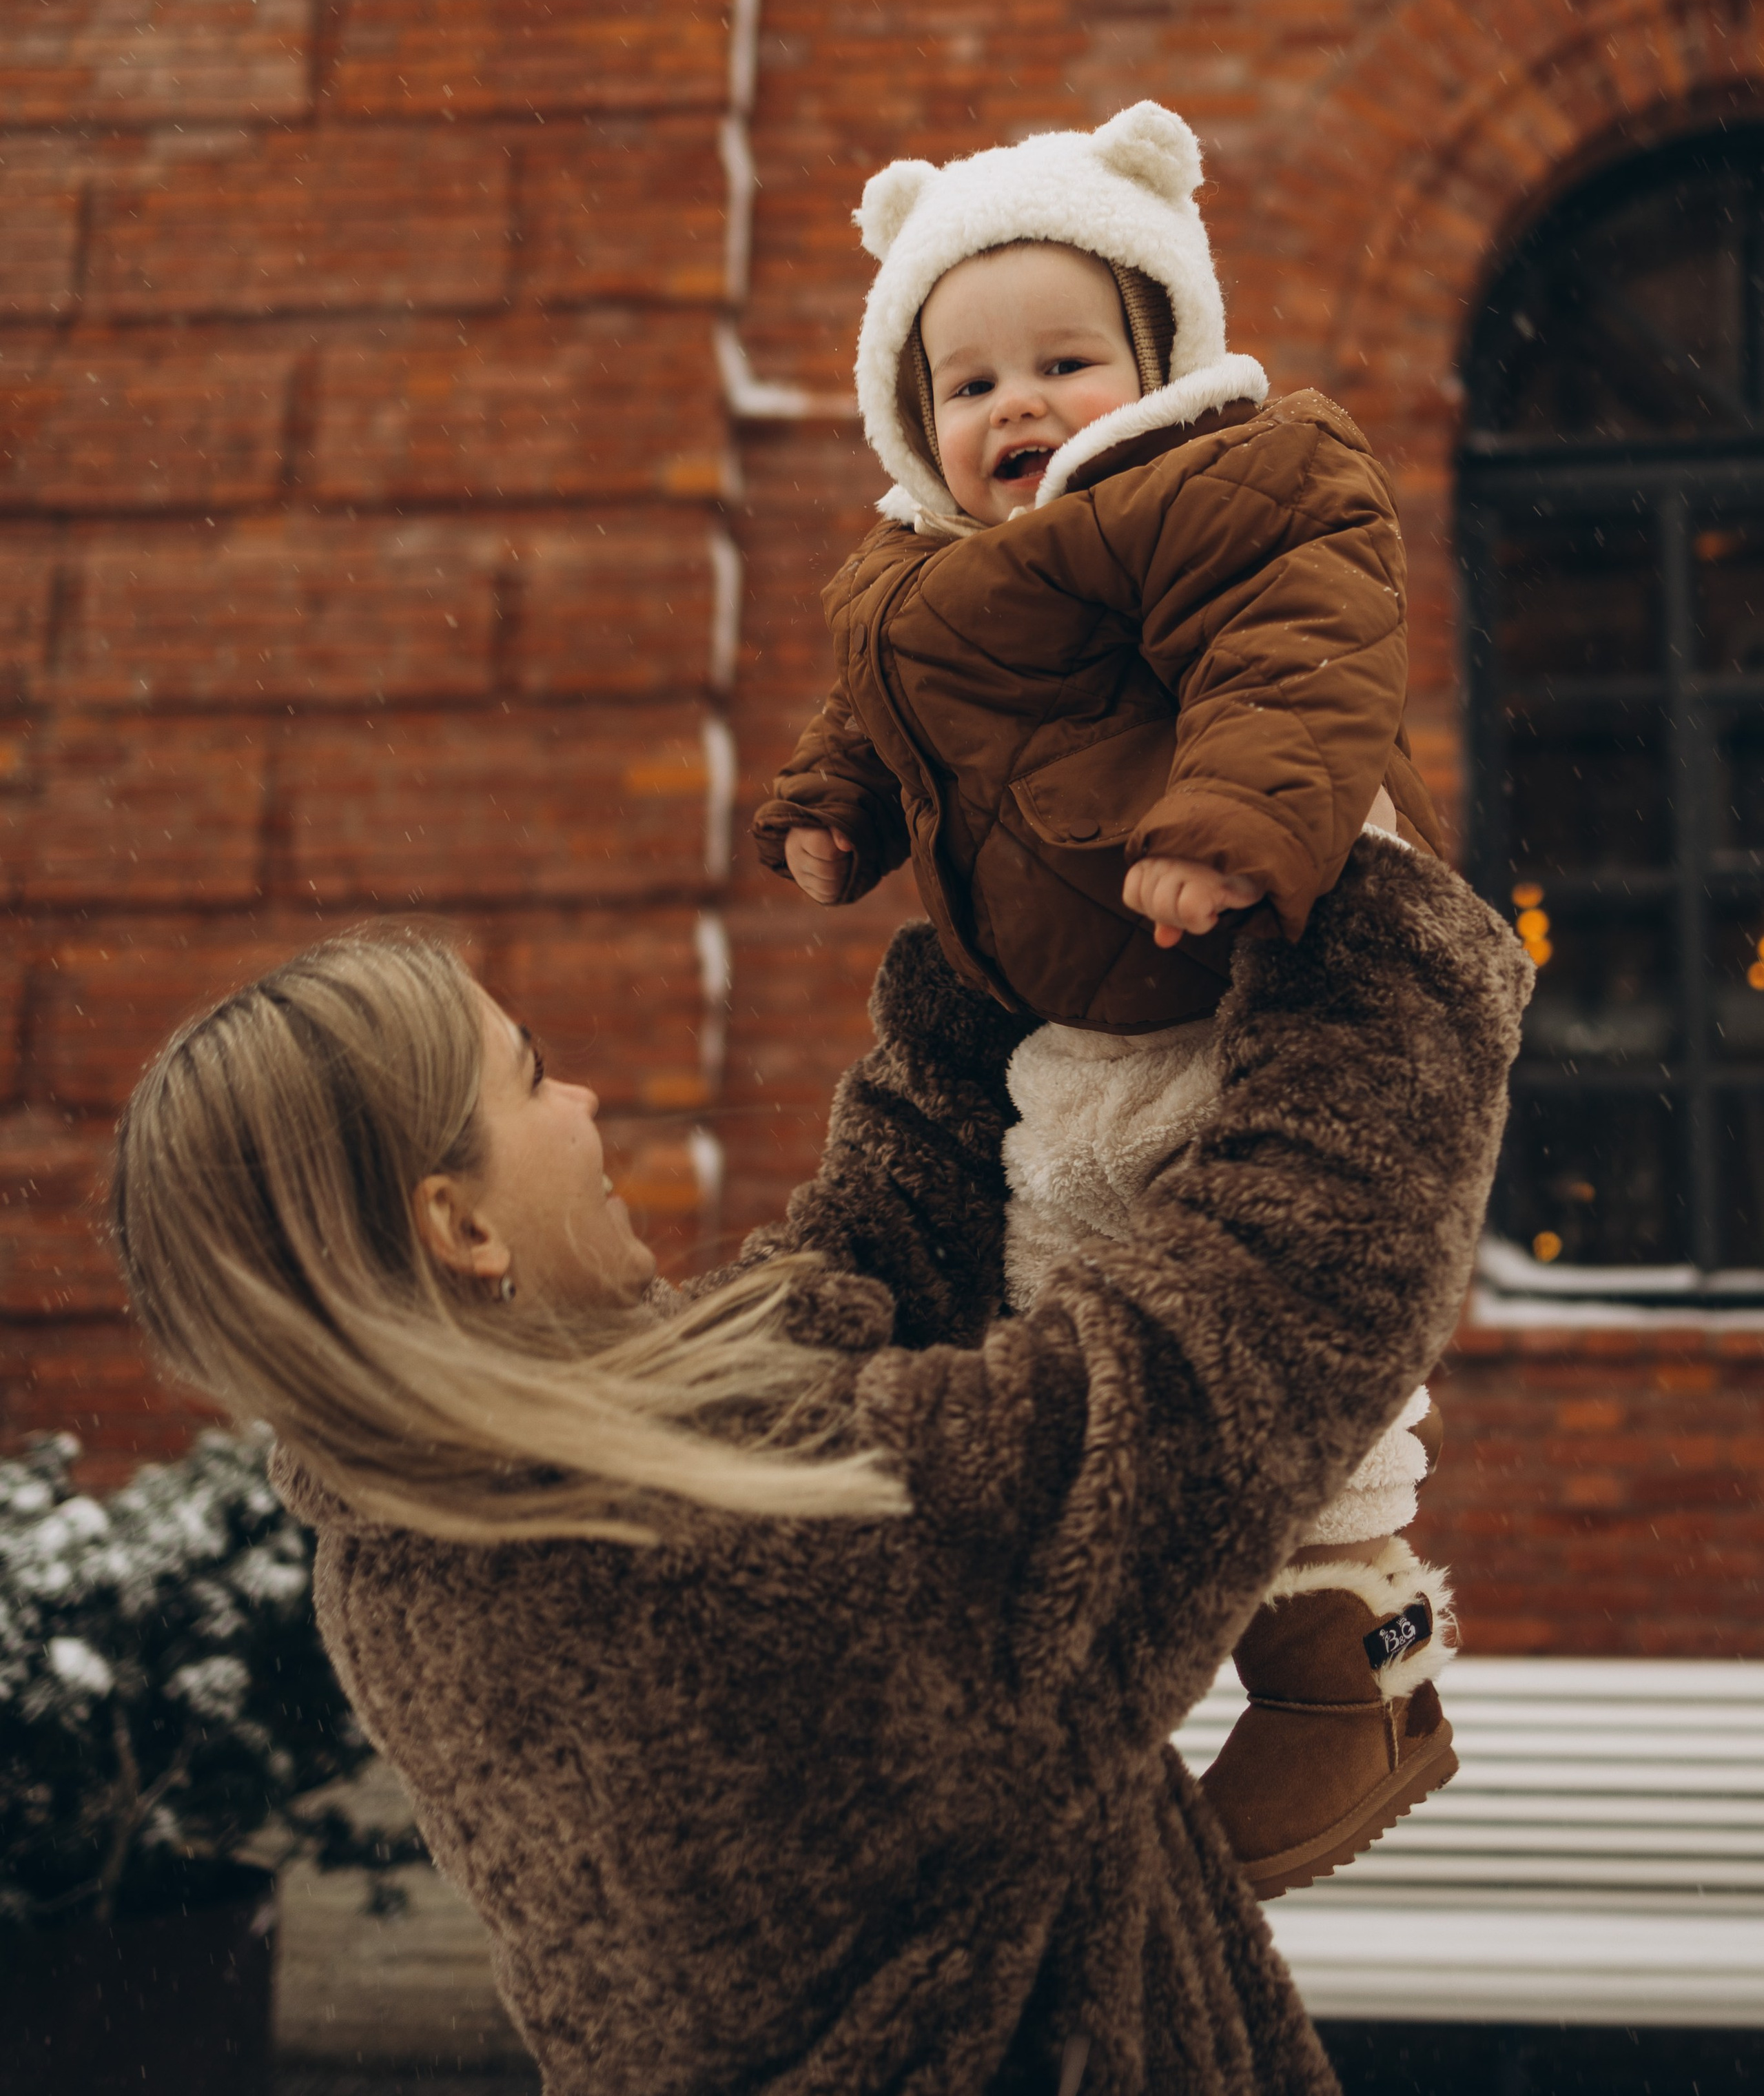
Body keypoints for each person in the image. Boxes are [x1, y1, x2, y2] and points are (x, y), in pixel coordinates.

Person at [110, 846, 1528, 2095]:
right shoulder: (706, 1566)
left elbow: (859, 1272)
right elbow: (1261, 1321)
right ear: (460, 1227)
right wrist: (1357, 898)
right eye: (532, 1078)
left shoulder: (415, 1546)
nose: (584, 1099)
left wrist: (1002, 901)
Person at [752, 102, 1457, 1893]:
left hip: (1254, 977)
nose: (1020, 405)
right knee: (1071, 1310)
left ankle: (1357, 1658)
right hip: (1074, 1025)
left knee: (1283, 1304)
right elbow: (885, 718)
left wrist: (1225, 828)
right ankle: (1114, 1675)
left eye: (1065, 361)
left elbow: (1299, 655)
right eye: (970, 381)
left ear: (1158, 359)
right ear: (912, 412)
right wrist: (833, 812)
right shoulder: (914, 576)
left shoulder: (1223, 487)